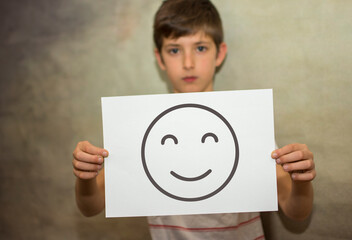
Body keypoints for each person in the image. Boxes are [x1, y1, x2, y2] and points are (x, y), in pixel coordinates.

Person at [72, 0, 316, 239]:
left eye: (200, 48)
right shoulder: (141, 128)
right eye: (175, 50)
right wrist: (86, 177)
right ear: (160, 59)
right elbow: (91, 206)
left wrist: (301, 179)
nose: (188, 63)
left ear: (219, 54)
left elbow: (294, 209)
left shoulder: (246, 123)